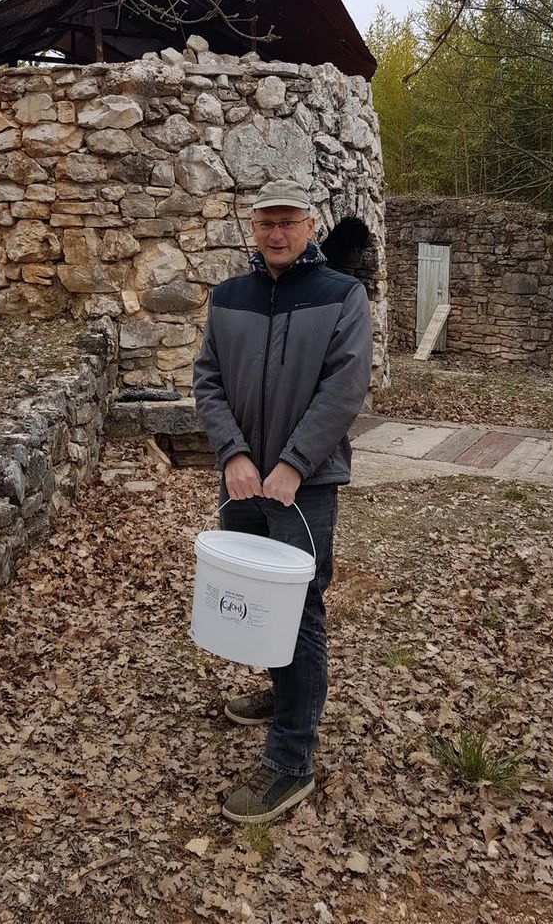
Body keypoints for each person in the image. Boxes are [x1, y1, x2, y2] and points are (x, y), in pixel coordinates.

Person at [192, 178, 373, 825]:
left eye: (287, 222)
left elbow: (344, 387)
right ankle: (282, 690)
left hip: (304, 486)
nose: (276, 233)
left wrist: (294, 463)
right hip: (242, 479)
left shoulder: (341, 295)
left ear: (309, 225)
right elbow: (207, 380)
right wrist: (232, 454)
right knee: (256, 597)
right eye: (265, 222)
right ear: (252, 227)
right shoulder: (228, 298)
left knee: (298, 611)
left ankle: (292, 761)